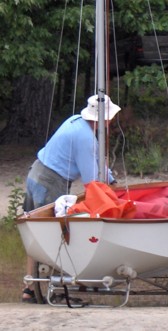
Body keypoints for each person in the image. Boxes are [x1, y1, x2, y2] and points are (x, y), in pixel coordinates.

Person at [21, 94, 121, 303]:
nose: (111, 121)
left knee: (35, 233)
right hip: (50, 181)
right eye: (109, 118)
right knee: (53, 234)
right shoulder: (86, 138)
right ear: (103, 119)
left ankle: (30, 288)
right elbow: (92, 181)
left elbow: (96, 162)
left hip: (36, 174)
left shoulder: (76, 122)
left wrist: (111, 178)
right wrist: (112, 193)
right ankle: (53, 290)